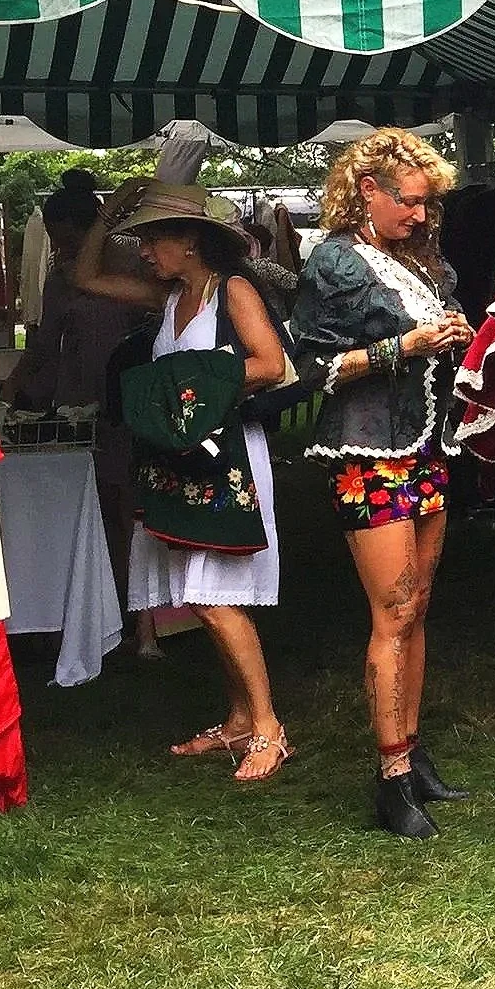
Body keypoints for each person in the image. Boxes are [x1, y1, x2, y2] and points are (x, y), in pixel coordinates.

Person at [75, 180, 294, 782]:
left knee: (212, 595)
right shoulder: (167, 299)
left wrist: (192, 388)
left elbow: (271, 363)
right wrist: (112, 210)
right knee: (199, 593)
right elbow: (87, 278)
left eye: (152, 239)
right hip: (182, 461)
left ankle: (269, 728)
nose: (144, 252)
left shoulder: (234, 291)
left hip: (226, 459)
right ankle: (239, 719)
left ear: (190, 241)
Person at [291, 128, 473, 840]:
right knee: (392, 614)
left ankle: (413, 750)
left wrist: (450, 332)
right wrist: (401, 347)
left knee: (418, 608)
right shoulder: (335, 261)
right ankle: (391, 776)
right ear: (368, 189)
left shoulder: (412, 259)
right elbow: (308, 371)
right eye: (412, 201)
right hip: (366, 451)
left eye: (428, 204)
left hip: (424, 444)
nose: (422, 216)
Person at [8, 170, 145, 633]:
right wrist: (13, 393)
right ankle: (102, 601)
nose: (55, 243)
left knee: (123, 500)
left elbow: (46, 344)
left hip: (121, 393)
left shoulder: (124, 263)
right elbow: (45, 344)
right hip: (81, 400)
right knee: (97, 502)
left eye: (59, 234)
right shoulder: (63, 273)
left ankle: (131, 604)